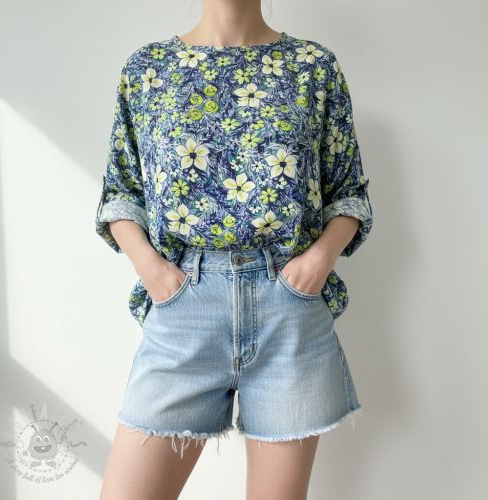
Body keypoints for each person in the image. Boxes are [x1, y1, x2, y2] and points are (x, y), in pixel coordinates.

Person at [96, 1, 373, 498]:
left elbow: (347, 193)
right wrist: (153, 270)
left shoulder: (313, 66)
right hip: (184, 305)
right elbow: (121, 193)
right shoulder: (148, 69)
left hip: (288, 311)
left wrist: (318, 261)